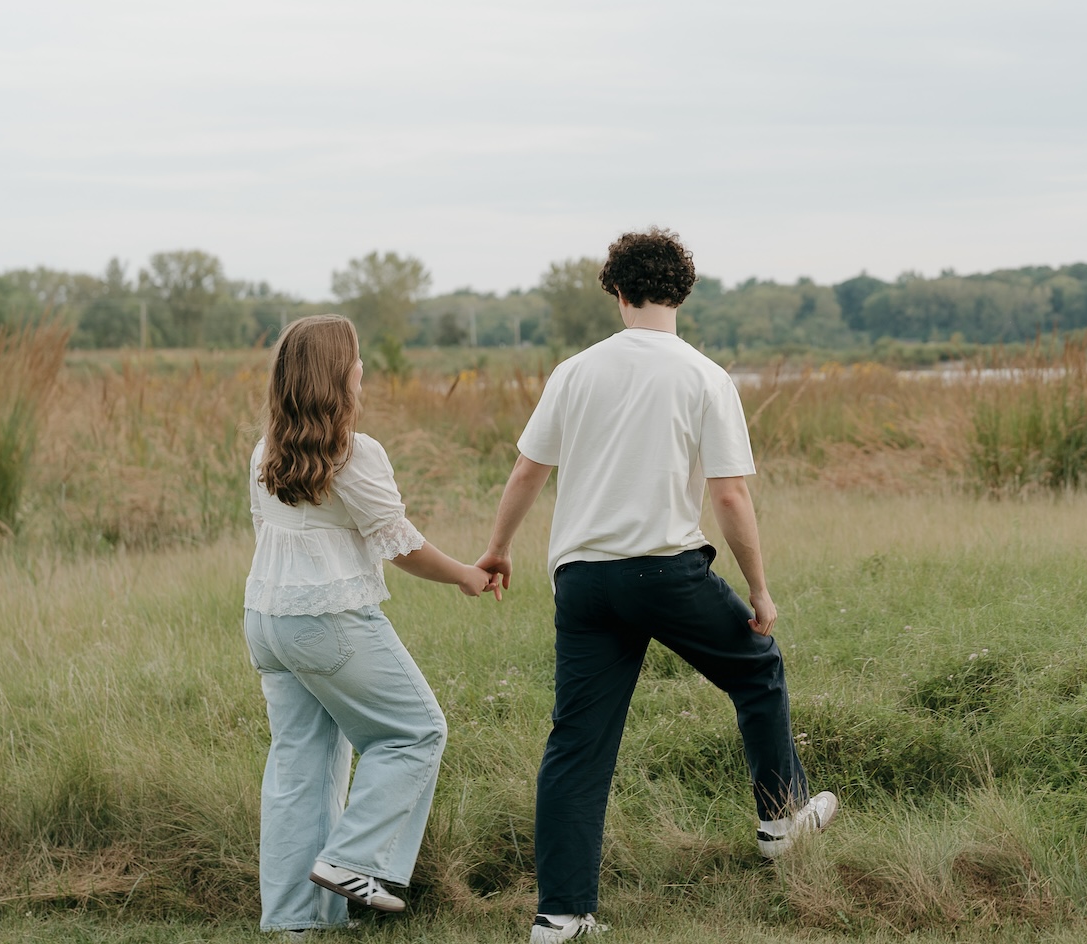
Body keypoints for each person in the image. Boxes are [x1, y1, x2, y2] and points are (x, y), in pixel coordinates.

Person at [479, 229, 837, 943]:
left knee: (577, 743)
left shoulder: (574, 372)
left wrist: (496, 551)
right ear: (683, 291)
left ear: (618, 291)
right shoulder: (704, 375)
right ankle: (780, 819)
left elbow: (527, 472)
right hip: (664, 571)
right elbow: (730, 497)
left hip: (580, 581)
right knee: (758, 670)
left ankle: (560, 917)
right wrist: (759, 591)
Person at [242, 314, 497, 936]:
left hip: (267, 620)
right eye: (356, 360)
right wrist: (465, 573)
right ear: (338, 375)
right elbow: (399, 545)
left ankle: (296, 921)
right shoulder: (353, 451)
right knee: (415, 731)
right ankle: (352, 861)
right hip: (327, 620)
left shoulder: (266, 450)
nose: (364, 370)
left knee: (300, 766)